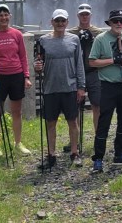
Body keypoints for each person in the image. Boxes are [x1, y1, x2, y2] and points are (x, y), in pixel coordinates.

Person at [34, 9, 87, 169]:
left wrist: (81, 86)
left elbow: (79, 64)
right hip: (50, 87)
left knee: (73, 121)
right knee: (50, 122)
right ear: (52, 22)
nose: (60, 23)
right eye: (57, 20)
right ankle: (51, 155)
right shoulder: (43, 41)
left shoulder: (74, 40)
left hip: (70, 87)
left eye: (63, 21)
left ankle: (74, 153)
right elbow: (38, 63)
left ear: (67, 22)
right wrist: (37, 68)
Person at [89, 9, 122, 173]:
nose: (119, 23)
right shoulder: (100, 39)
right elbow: (92, 62)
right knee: (104, 121)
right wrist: (113, 60)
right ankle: (98, 158)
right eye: (115, 21)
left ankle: (120, 153)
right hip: (108, 86)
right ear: (110, 23)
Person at [0, 3, 33, 159]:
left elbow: (23, 56)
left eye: (6, 14)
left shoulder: (17, 34)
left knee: (17, 112)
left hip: (16, 75)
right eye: (0, 15)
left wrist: (26, 77)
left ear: (10, 16)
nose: (3, 17)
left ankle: (18, 143)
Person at [66, 3, 103, 153]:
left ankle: (98, 138)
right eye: (82, 14)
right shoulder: (70, 33)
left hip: (94, 72)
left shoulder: (98, 33)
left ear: (91, 15)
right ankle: (74, 140)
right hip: (76, 74)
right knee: (74, 108)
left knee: (97, 105)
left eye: (87, 14)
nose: (84, 17)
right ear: (78, 16)